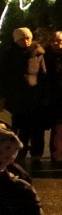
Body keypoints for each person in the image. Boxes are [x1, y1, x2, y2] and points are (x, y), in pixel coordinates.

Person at [0, 26, 47, 168]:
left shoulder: (38, 54)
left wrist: (43, 94)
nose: (26, 41)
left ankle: (31, 154)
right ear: (16, 40)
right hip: (14, 97)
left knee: (30, 127)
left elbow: (43, 75)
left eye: (28, 38)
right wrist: (1, 98)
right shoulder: (9, 55)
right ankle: (16, 153)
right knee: (14, 127)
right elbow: (2, 77)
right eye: (22, 38)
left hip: (33, 96)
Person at [46, 31, 62, 166]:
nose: (57, 44)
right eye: (55, 41)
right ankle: (56, 153)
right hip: (52, 96)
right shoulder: (45, 56)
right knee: (56, 127)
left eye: (60, 41)